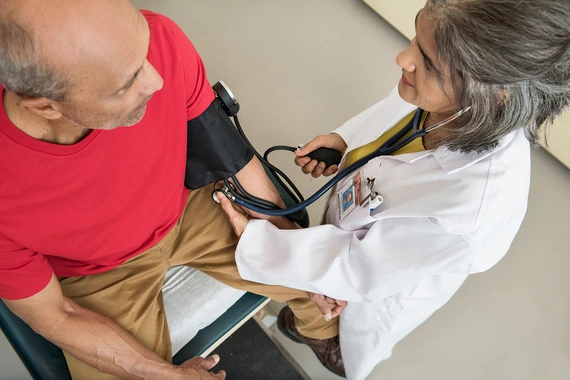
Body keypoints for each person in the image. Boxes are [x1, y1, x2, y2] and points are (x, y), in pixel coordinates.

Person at [219, 1, 570, 379]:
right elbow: (391, 112)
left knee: (336, 321)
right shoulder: (442, 88)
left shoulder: (473, 208)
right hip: (354, 214)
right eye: (415, 39)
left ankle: (324, 342)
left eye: (429, 62)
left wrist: (260, 240)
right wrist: (347, 139)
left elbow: (359, 269)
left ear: (494, 91)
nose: (403, 58)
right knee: (323, 257)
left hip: (378, 282)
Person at [0, 0, 344, 378]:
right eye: (125, 82)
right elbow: (55, 316)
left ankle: (318, 331)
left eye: (143, 51)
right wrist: (168, 374)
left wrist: (297, 251)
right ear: (45, 105)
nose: (156, 80)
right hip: (97, 273)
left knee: (319, 270)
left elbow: (230, 156)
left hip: (190, 205)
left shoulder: (162, 39)